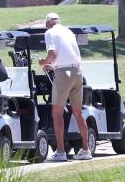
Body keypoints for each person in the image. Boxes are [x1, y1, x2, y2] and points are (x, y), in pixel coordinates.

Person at [37, 12, 91, 162]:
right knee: (78, 113)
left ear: (48, 23)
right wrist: (52, 65)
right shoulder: (68, 31)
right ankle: (86, 150)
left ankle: (61, 151)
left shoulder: (49, 33)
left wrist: (43, 62)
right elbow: (66, 55)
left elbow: (53, 54)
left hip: (63, 73)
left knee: (57, 113)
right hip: (77, 72)